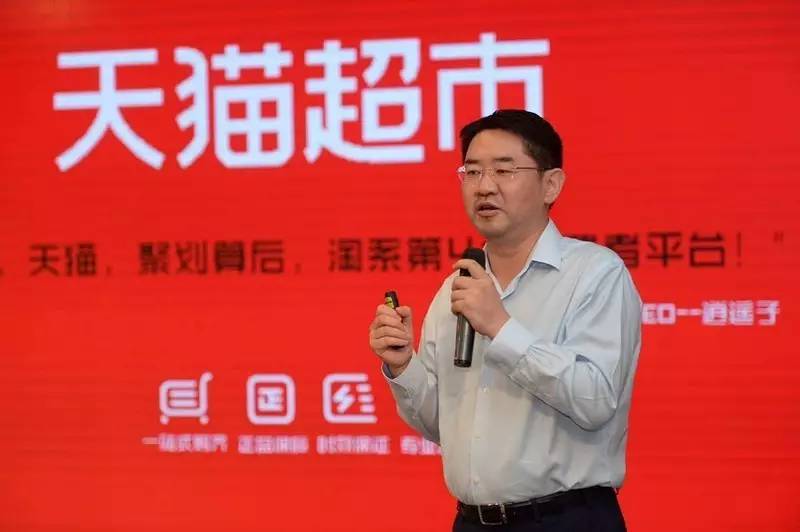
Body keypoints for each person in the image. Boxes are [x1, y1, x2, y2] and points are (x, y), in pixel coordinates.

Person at [368, 109, 642, 531]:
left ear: (551, 184)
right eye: (472, 171)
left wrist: (501, 327)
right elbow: (443, 425)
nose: (485, 186)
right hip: (472, 521)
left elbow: (595, 400)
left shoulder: (594, 273)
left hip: (565, 519)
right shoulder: (458, 286)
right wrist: (404, 366)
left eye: (504, 170)